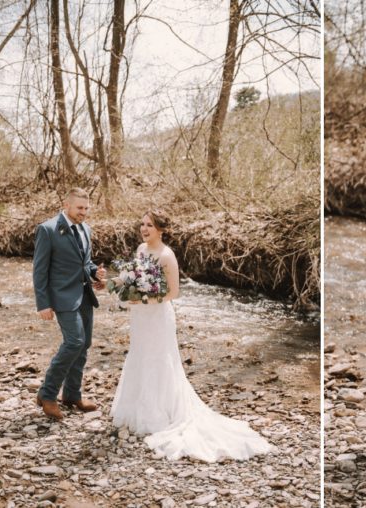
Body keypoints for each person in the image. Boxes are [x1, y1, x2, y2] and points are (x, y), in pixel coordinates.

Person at [110, 211, 273, 462]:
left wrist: (144, 297)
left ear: (161, 229)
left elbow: (173, 293)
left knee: (159, 359)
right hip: (141, 316)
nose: (144, 229)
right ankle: (137, 409)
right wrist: (119, 285)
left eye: (150, 225)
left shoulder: (167, 255)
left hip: (158, 317)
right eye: (142, 224)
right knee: (140, 355)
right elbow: (133, 278)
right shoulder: (141, 249)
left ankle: (159, 413)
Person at [33, 187, 107, 421]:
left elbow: (85, 263)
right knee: (74, 342)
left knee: (84, 344)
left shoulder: (86, 228)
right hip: (61, 296)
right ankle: (47, 393)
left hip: (84, 294)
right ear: (67, 206)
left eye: (86, 208)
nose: (83, 212)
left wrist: (96, 274)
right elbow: (39, 270)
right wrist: (43, 303)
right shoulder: (47, 230)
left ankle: (72, 394)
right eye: (79, 208)